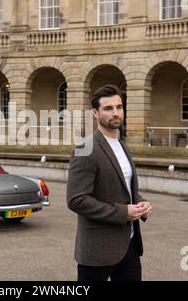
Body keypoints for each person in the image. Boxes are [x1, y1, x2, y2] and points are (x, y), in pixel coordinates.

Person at [67, 86, 153, 281]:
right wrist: (123, 212)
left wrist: (141, 203)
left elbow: (125, 190)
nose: (115, 113)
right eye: (108, 108)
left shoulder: (123, 146)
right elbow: (76, 200)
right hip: (98, 251)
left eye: (119, 107)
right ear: (95, 113)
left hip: (129, 246)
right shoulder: (84, 149)